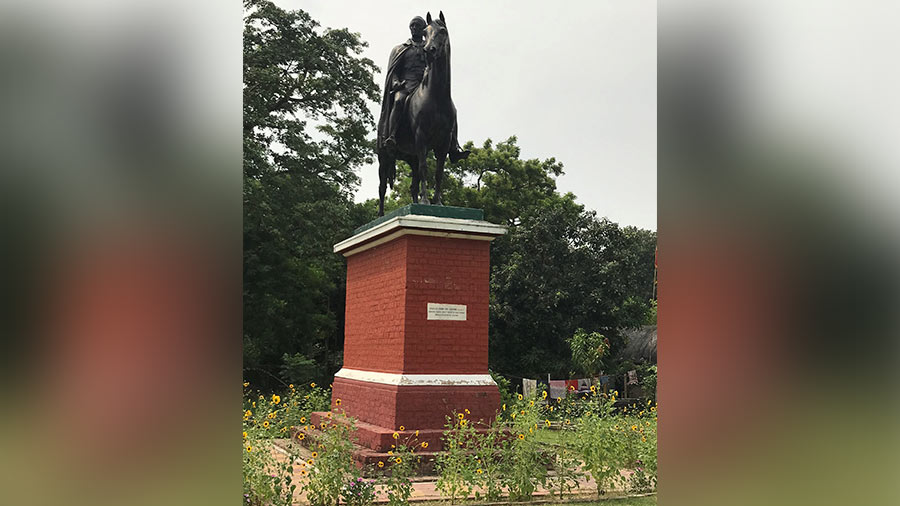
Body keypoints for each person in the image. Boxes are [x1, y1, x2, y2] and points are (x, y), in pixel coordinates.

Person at [378, 16, 469, 162]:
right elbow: (393, 71)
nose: (414, 28)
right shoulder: (401, 49)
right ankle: (392, 136)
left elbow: (436, 65)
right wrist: (395, 82)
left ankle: (454, 146)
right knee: (399, 100)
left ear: (423, 30)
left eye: (418, 26)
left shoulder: (429, 47)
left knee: (451, 109)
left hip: (424, 86)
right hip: (406, 85)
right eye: (412, 25)